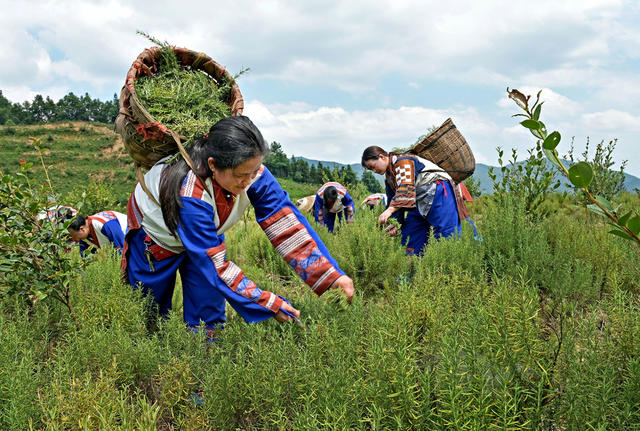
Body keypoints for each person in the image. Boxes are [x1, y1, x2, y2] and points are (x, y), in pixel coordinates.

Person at [122, 116, 354, 333]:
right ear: (213, 165)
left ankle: (203, 360)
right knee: (148, 308)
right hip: (157, 236)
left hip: (206, 234)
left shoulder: (252, 172)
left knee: (207, 309)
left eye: (253, 172)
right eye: (240, 175)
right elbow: (215, 266)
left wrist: (331, 275)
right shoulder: (191, 193)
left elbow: (285, 223)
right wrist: (267, 302)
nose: (247, 182)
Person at [361, 146, 469, 255]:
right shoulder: (389, 177)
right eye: (371, 170)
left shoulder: (403, 161)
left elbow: (405, 189)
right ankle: (414, 269)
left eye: (373, 166)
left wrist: (390, 210)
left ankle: (450, 268)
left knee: (446, 234)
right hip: (417, 202)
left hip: (438, 191)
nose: (374, 171)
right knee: (410, 235)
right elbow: (392, 198)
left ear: (381, 157)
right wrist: (394, 222)